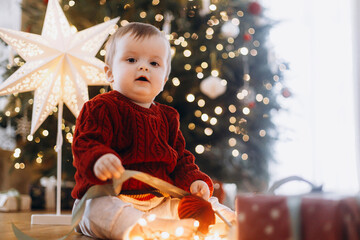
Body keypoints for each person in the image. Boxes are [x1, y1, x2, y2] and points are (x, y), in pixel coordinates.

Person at [71, 22, 234, 239]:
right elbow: (85, 143)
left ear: (164, 80)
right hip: (113, 197)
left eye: (154, 63)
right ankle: (145, 228)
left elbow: (181, 160)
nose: (143, 67)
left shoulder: (168, 117)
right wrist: (99, 158)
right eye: (131, 60)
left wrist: (194, 181)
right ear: (109, 74)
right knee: (95, 210)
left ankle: (231, 222)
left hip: (158, 201)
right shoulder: (101, 107)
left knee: (204, 202)